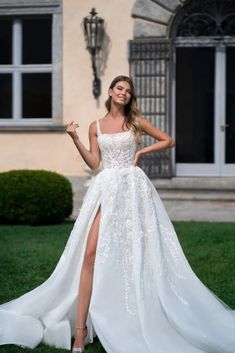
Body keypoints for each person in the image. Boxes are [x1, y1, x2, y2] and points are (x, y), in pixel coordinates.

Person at [0, 76, 234, 353]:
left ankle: (135, 315)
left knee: (136, 253)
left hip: (134, 190)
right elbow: (95, 163)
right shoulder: (95, 126)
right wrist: (75, 138)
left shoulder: (135, 121)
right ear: (110, 92)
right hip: (106, 188)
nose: (123, 93)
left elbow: (168, 140)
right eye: (119, 89)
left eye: (128, 91)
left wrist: (143, 151)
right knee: (89, 253)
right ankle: (80, 329)